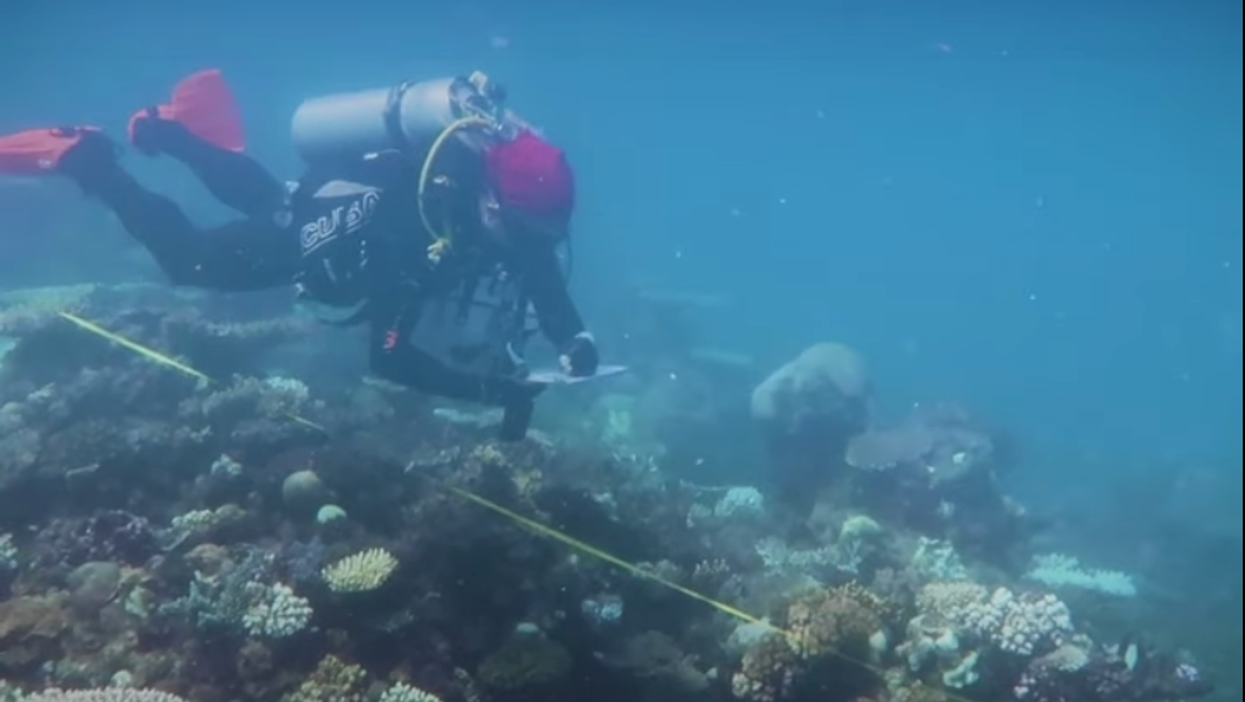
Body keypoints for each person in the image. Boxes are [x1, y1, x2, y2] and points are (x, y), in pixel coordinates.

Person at [0, 69, 600, 440]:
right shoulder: (416, 238)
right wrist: (495, 395)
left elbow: (535, 262)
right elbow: (388, 359)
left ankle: (163, 130)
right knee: (192, 260)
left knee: (274, 198)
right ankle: (88, 159)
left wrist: (574, 338)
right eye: (525, 230)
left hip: (328, 195)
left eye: (545, 232)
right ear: (492, 203)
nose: (536, 245)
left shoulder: (496, 209)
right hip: (313, 243)